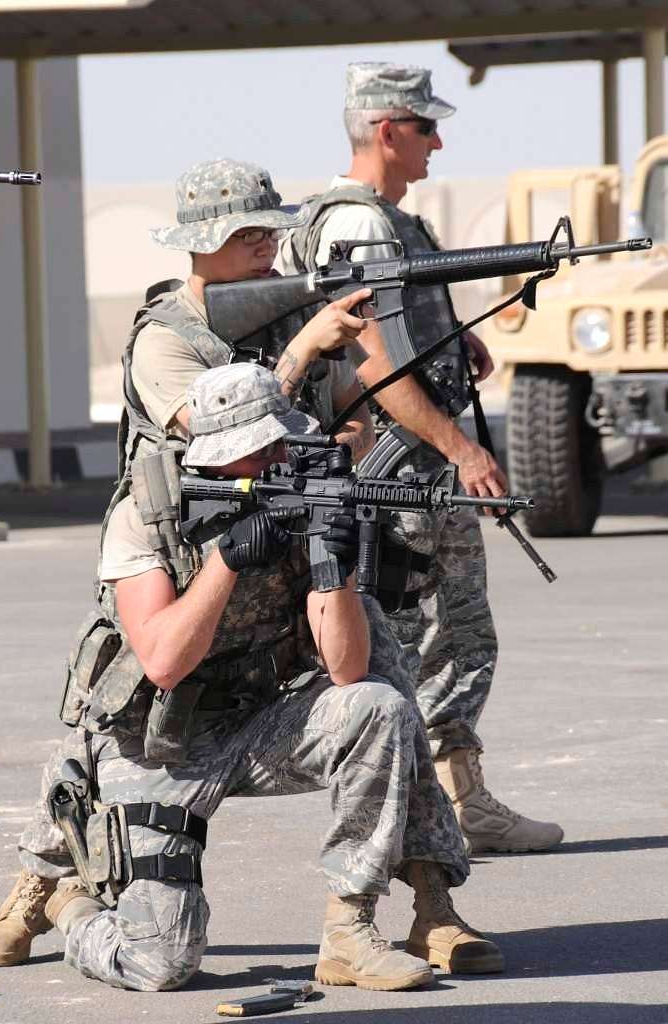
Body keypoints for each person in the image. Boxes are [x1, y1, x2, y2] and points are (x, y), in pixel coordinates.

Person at [0, 162, 501, 980]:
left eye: (272, 230)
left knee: (384, 686)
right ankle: (49, 885)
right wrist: (296, 361)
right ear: (203, 245)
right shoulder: (167, 343)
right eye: (249, 235)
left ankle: (413, 906)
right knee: (117, 749)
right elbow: (205, 443)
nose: (269, 246)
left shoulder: (287, 319)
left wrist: (331, 520)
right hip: (172, 628)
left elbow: (351, 427)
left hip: (269, 640)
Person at [281, 62, 564, 855]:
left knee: (452, 636)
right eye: (426, 127)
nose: (438, 142)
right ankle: (418, 812)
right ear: (387, 131)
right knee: (419, 642)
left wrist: (451, 333)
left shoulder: (385, 218)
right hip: (398, 474)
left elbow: (396, 336)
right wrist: (460, 445)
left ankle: (454, 798)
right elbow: (375, 367)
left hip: (409, 470)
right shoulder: (359, 224)